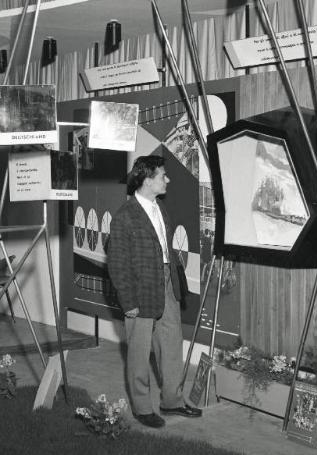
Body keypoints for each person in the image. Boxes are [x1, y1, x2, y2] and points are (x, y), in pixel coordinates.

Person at [107, 155, 202, 429]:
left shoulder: (160, 208)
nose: (167, 179)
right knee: (139, 350)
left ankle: (173, 401)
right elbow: (117, 263)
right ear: (147, 180)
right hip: (140, 289)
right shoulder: (124, 217)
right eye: (163, 175)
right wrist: (128, 302)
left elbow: (165, 248)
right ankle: (142, 408)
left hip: (166, 283)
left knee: (172, 343)